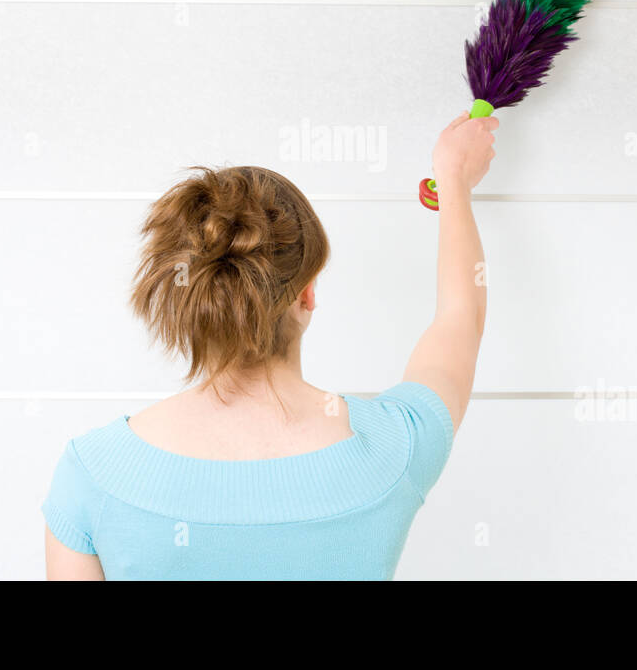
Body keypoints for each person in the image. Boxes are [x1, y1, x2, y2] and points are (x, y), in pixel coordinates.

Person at [42, 112, 498, 579]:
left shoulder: (92, 473)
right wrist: (454, 181)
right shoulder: (395, 446)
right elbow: (461, 320)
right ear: (307, 294)